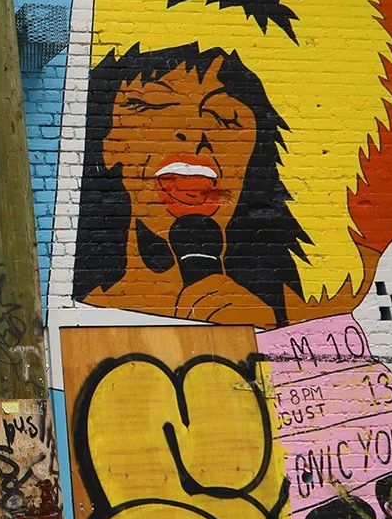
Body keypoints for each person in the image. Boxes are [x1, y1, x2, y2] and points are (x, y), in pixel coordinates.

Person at [73, 41, 306, 327]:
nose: (194, 133)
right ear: (110, 145)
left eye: (225, 118)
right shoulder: (79, 309)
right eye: (156, 105)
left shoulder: (296, 315)